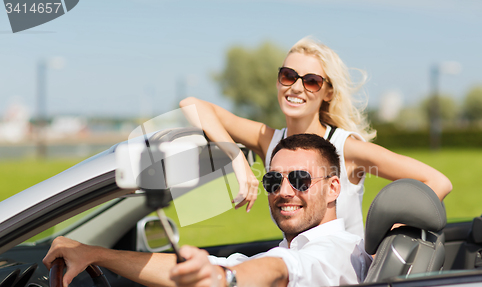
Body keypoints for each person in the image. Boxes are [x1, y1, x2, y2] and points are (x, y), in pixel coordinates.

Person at [43, 134, 372, 287]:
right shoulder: (299, 247)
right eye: (273, 181)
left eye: (300, 180)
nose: (284, 192)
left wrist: (221, 281)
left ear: (332, 189)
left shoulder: (334, 252)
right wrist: (95, 253)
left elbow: (278, 271)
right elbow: (214, 268)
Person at [179, 37, 452, 238]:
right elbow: (191, 104)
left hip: (342, 281)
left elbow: (438, 181)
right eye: (288, 76)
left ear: (328, 92)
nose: (296, 87)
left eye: (311, 81)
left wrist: (389, 237)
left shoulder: (347, 148)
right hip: (300, 272)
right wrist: (239, 162)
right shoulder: (269, 140)